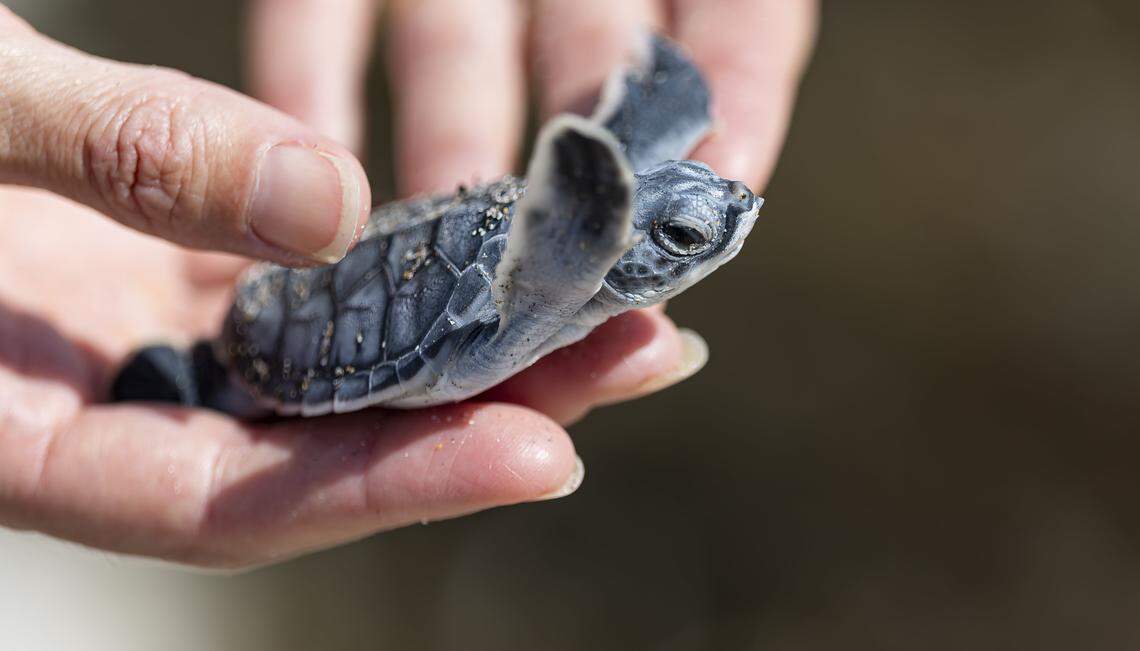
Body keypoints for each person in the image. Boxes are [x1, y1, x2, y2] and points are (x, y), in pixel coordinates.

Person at [0, 0, 816, 568]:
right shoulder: (560, 274)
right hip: (280, 342)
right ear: (594, 245)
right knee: (170, 385)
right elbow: (591, 204)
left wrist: (666, 108)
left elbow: (601, 191)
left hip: (333, 278)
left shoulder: (570, 256)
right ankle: (156, 377)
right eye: (683, 240)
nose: (737, 215)